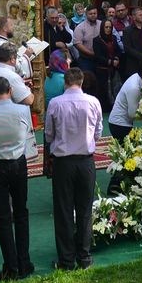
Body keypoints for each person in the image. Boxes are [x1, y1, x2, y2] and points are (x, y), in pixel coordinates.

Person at [0, 74, 36, 280]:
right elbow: (27, 129)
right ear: (9, 91)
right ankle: (23, 261)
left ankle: (11, 266)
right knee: (21, 212)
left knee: (2, 217)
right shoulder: (22, 110)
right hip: (18, 164)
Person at [43, 66, 101, 271]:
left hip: (64, 162)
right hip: (86, 160)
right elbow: (98, 131)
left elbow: (49, 135)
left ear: (65, 83)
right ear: (81, 82)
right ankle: (84, 256)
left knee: (64, 210)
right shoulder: (93, 102)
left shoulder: (56, 104)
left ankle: (67, 260)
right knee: (85, 210)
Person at [107, 68, 142, 142]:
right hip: (120, 126)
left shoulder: (136, 76)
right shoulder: (134, 88)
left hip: (118, 123)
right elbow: (132, 114)